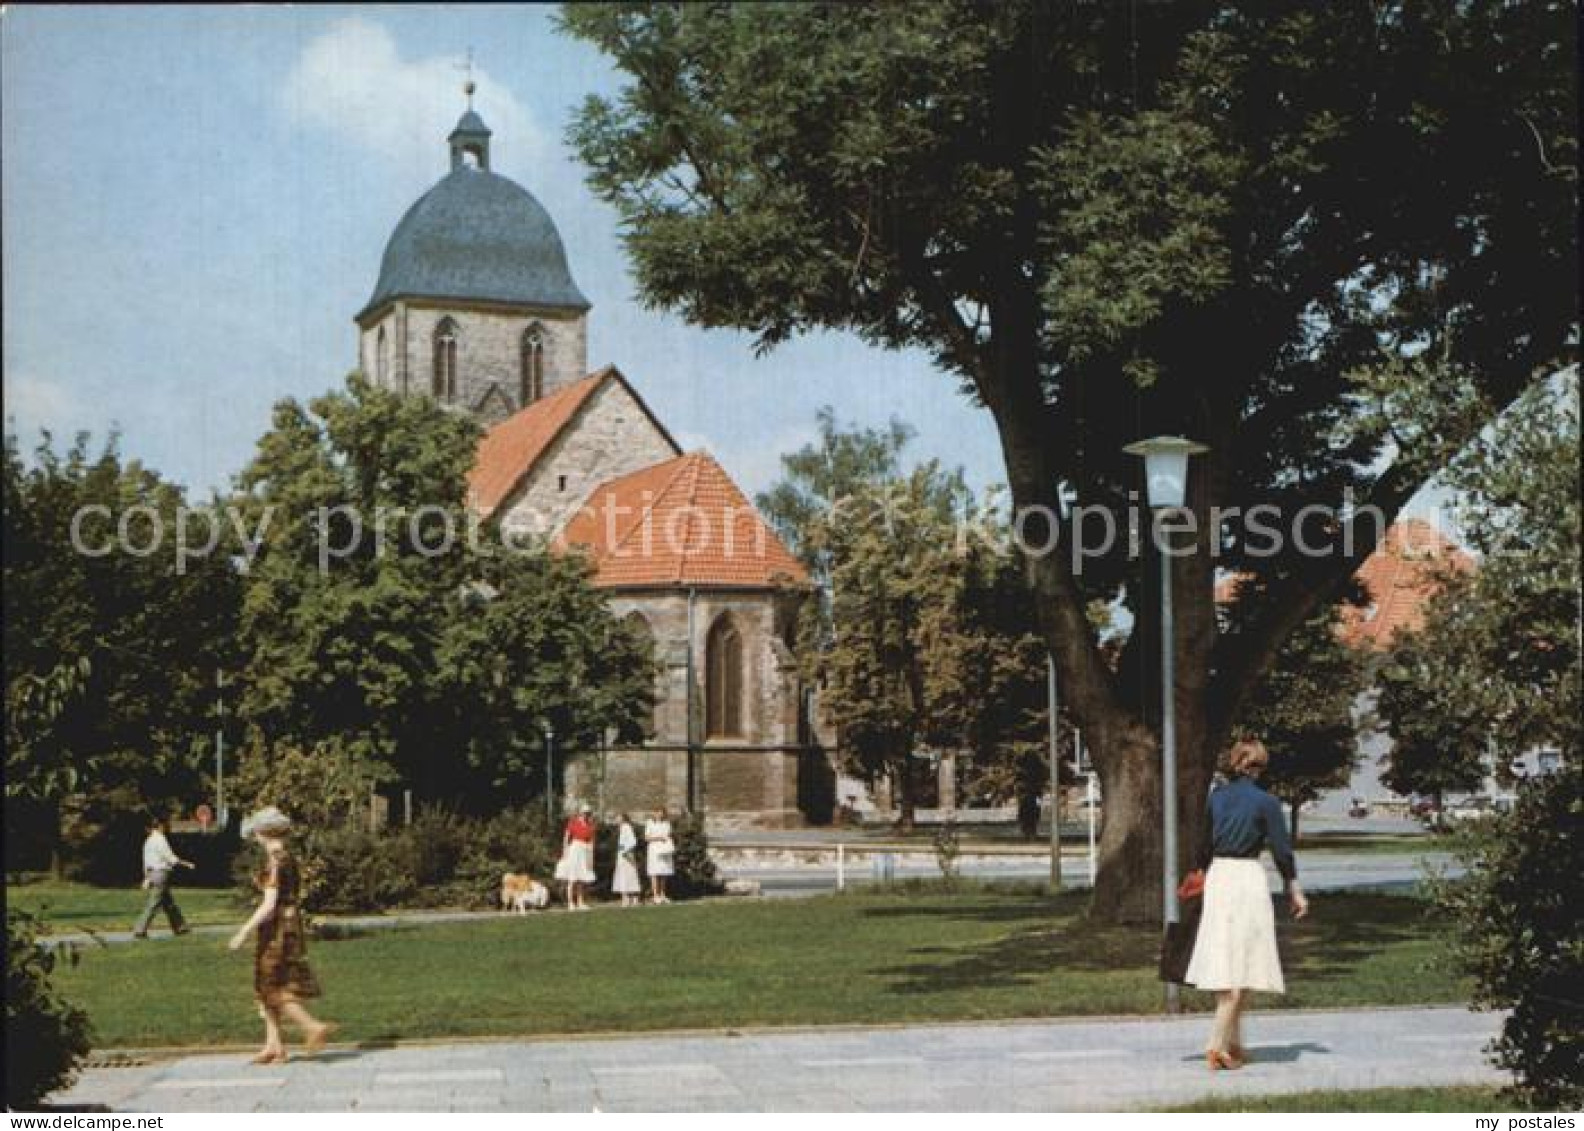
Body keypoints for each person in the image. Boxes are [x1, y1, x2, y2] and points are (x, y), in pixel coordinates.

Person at [1184, 738, 1309, 1071]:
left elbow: (1203, 845)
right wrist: (1294, 887)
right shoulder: (1266, 802)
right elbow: (1282, 850)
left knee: (1226, 960)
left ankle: (1234, 1042)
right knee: (1246, 961)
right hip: (1248, 878)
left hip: (1219, 877)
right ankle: (1216, 1044)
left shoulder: (1217, 798)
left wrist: (1199, 875)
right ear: (1257, 766)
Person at [228, 807, 335, 1064]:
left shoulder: (274, 861)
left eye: (256, 831)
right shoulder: (286, 856)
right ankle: (274, 1045)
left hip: (278, 929)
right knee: (268, 981)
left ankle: (312, 1027)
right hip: (289, 925)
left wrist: (243, 931)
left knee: (272, 985)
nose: (254, 836)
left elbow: (268, 904)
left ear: (262, 832)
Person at [132, 814, 194, 939]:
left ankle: (180, 927)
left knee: (169, 904)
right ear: (161, 825)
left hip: (152, 873)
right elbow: (170, 857)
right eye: (166, 825)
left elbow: (146, 861)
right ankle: (140, 929)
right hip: (161, 873)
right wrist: (186, 864)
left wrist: (147, 877)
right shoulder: (160, 839)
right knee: (154, 903)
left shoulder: (148, 841)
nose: (168, 827)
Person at [555, 804, 597, 911]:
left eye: (588, 813)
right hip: (574, 850)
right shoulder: (573, 822)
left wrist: (590, 858)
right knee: (572, 878)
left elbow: (591, 843)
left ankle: (580, 902)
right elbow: (566, 837)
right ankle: (570, 903)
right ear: (581, 813)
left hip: (584, 851)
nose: (586, 815)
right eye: (584, 813)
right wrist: (565, 852)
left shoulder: (590, 826)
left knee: (581, 879)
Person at [644, 808, 675, 904]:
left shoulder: (666, 823)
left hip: (664, 849)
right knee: (654, 872)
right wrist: (658, 838)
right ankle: (655, 895)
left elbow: (668, 835)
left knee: (663, 872)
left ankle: (662, 894)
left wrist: (666, 839)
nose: (659, 814)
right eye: (657, 812)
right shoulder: (650, 823)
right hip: (654, 850)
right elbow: (647, 837)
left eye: (661, 813)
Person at [612, 813, 642, 907]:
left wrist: (626, 852)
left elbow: (633, 842)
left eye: (618, 818)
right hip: (622, 854)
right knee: (624, 875)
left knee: (629, 875)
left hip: (626, 854)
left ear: (623, 819)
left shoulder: (626, 827)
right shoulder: (621, 828)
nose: (616, 819)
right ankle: (627, 898)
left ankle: (631, 898)